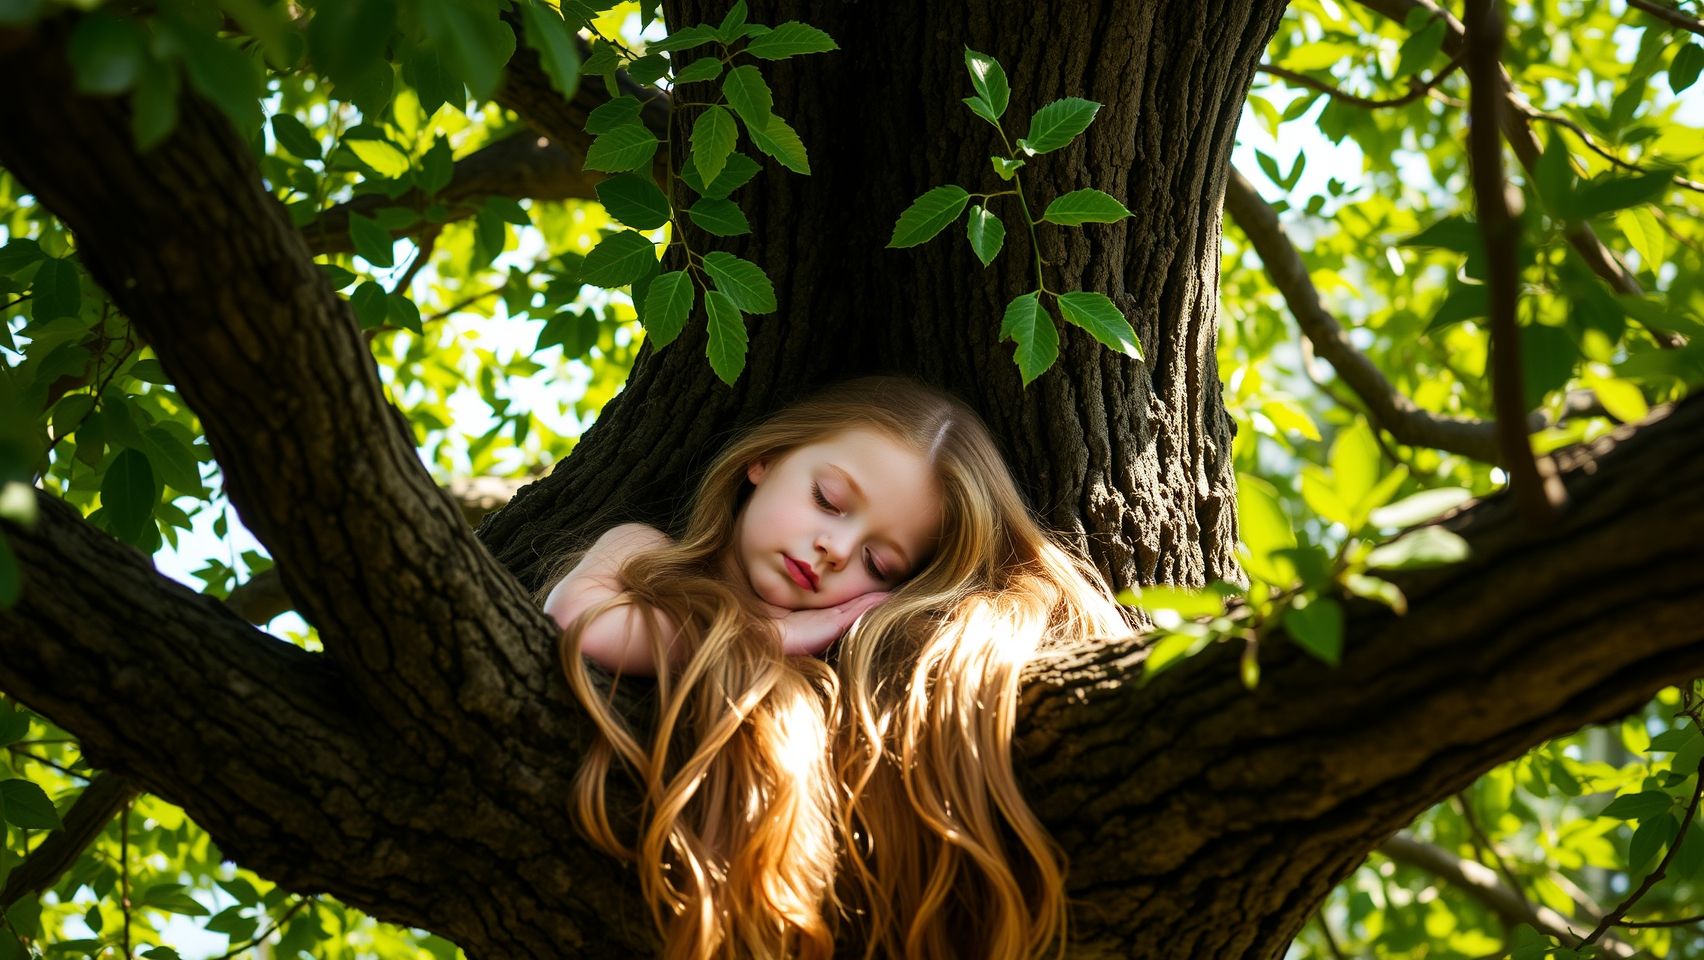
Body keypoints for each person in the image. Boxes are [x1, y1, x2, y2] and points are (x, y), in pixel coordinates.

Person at [539, 376, 1132, 960]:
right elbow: (578, 618)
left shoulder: (847, 659)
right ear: (764, 459)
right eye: (828, 499)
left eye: (877, 563)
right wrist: (775, 634)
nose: (837, 549)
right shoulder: (644, 554)